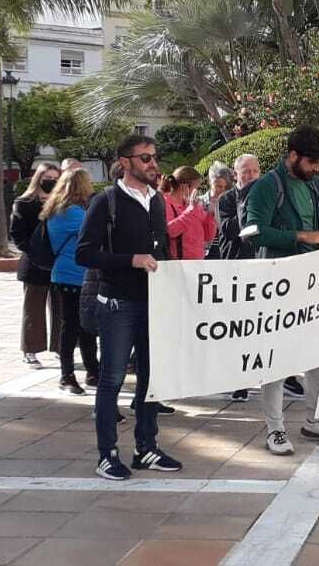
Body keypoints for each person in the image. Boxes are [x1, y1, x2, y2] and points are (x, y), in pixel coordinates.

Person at [242, 125, 319, 455]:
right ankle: (275, 428)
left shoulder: (315, 183)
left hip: (314, 281)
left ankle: (316, 419)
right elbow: (253, 232)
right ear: (293, 156)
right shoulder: (267, 186)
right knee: (277, 358)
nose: (317, 169)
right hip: (279, 282)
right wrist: (302, 236)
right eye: (312, 163)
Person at [75, 133, 182, 478]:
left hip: (153, 303)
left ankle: (146, 448)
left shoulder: (157, 200)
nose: (153, 163)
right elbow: (84, 254)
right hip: (118, 304)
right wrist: (130, 260)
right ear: (125, 163)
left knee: (152, 379)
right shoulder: (106, 202)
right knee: (112, 380)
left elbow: (161, 248)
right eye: (145, 158)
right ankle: (106, 454)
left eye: (155, 156)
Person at [43, 169, 100, 395]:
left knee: (84, 325)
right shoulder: (71, 213)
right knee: (72, 327)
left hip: (73, 275)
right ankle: (67, 375)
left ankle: (92, 370)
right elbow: (97, 230)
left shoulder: (59, 210)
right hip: (72, 275)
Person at [210, 154, 260, 402]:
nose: (250, 175)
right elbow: (232, 232)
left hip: (262, 270)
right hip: (235, 269)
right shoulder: (227, 200)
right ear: (236, 174)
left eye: (254, 171)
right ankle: (237, 380)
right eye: (245, 171)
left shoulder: (267, 197)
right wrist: (245, 202)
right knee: (237, 329)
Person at [10, 163, 62, 369]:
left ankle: (60, 348)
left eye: (55, 177)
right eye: (47, 176)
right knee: (33, 309)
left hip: (58, 263)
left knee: (61, 309)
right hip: (34, 265)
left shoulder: (62, 203)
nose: (51, 180)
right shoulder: (24, 202)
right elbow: (17, 234)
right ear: (38, 177)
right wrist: (34, 252)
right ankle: (30, 349)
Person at [163, 166, 217, 262]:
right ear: (185, 187)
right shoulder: (166, 203)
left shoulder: (194, 205)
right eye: (196, 188)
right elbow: (170, 231)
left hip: (198, 264)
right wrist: (190, 211)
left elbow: (208, 236)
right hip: (177, 265)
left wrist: (211, 215)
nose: (198, 192)